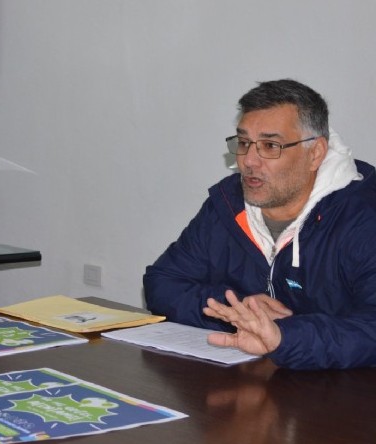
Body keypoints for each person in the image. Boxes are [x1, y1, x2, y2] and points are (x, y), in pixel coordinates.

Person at [143, 79, 376, 370]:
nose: (249, 161)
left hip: (347, 401)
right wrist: (238, 309)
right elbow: (162, 284)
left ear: (315, 153)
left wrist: (283, 337)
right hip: (252, 385)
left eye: (270, 146)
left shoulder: (363, 218)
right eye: (243, 143)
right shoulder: (227, 205)